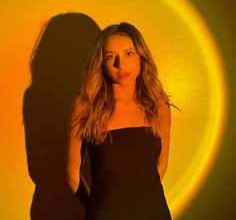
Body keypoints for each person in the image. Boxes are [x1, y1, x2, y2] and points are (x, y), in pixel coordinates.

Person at [66, 22, 172, 220]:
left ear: (142, 56)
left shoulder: (158, 106)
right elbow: (72, 176)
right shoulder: (85, 106)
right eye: (110, 57)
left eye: (128, 53)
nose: (120, 64)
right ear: (102, 64)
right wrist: (98, 210)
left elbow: (161, 164)